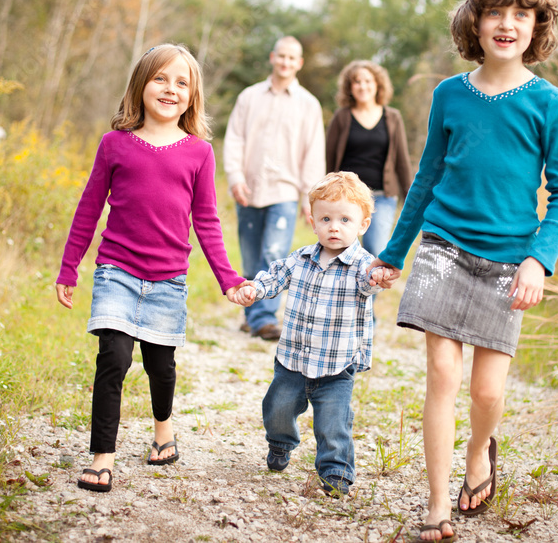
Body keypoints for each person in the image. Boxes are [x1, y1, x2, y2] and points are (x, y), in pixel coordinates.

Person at [370, 0, 558, 542]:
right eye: (495, 12)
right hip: (444, 246)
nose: (506, 23)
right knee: (442, 372)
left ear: (536, 26)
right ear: (476, 22)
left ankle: (480, 452)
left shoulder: (547, 103)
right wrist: (393, 252)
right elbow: (427, 177)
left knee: (487, 391)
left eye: (520, 14)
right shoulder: (449, 96)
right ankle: (438, 502)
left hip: (510, 259)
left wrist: (539, 260)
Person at [55, 44, 245, 493]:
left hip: (168, 278)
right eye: (160, 78)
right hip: (116, 271)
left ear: (192, 96)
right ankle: (103, 456)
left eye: (182, 82)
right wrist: (69, 268)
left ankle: (163, 431)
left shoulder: (198, 152)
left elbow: (207, 221)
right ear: (140, 85)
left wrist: (227, 278)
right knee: (114, 358)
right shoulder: (114, 144)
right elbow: (88, 209)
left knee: (161, 366)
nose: (170, 89)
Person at [230, 172, 394, 497]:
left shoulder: (363, 265)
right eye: (326, 218)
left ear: (363, 225)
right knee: (276, 409)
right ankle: (280, 444)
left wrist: (380, 276)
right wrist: (255, 289)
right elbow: (273, 278)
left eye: (345, 219)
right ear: (312, 221)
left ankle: (336, 476)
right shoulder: (300, 259)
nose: (335, 226)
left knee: (333, 426)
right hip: (292, 359)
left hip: (336, 367)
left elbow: (369, 282)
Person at [223, 36, 325, 341]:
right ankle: (252, 314)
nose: (285, 62)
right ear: (272, 57)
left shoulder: (308, 104)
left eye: (292, 58)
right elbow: (235, 139)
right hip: (249, 188)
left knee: (273, 253)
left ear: (300, 63)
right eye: (281, 56)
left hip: (284, 191)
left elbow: (313, 152)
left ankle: (264, 318)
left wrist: (311, 196)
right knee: (252, 254)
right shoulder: (249, 97)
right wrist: (235, 176)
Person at [326, 59, 412, 260]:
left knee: (376, 250)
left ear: (377, 85)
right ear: (350, 87)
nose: (362, 86)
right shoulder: (342, 117)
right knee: (343, 253)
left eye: (368, 81)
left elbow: (402, 161)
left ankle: (369, 293)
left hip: (381, 197)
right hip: (346, 197)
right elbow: (329, 160)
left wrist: (410, 197)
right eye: (357, 81)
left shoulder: (392, 117)